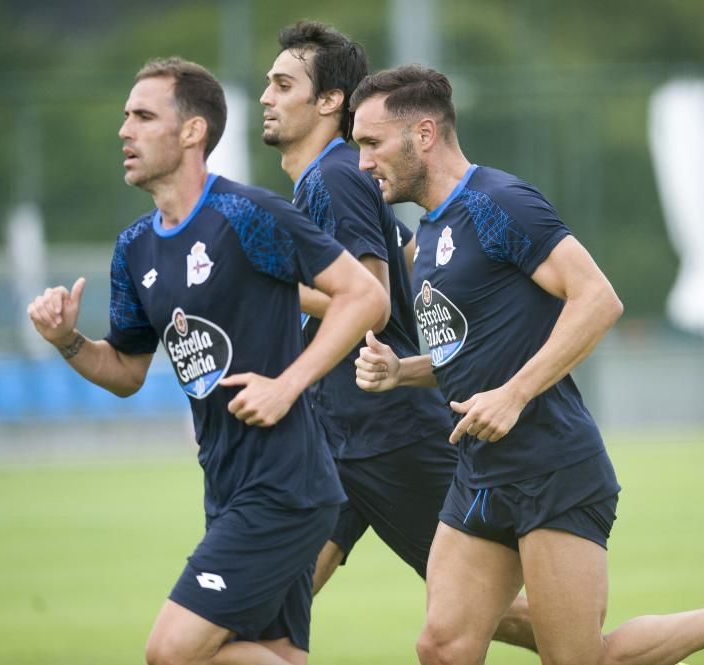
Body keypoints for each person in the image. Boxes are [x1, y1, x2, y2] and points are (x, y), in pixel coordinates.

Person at [351, 65, 704, 665]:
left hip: (552, 469)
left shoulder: (498, 203)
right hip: (480, 473)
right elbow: (477, 346)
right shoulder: (432, 231)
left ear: (426, 134)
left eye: (372, 142)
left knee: (579, 660)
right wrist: (402, 371)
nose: (363, 163)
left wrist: (513, 395)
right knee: (441, 645)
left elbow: (598, 299)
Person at [27, 57, 388, 665]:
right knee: (269, 652)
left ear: (193, 131)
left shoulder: (250, 215)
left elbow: (367, 297)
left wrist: (289, 384)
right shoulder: (135, 247)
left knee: (172, 652)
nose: (125, 131)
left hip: (285, 486)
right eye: (125, 117)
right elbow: (125, 372)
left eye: (143, 116)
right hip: (225, 483)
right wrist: (68, 341)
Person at [259, 21, 536, 653]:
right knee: (274, 600)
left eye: (282, 84)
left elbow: (370, 299)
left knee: (495, 623)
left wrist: (261, 281)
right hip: (341, 435)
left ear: (330, 100)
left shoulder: (333, 177)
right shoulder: (335, 176)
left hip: (390, 437)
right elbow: (401, 258)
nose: (266, 97)